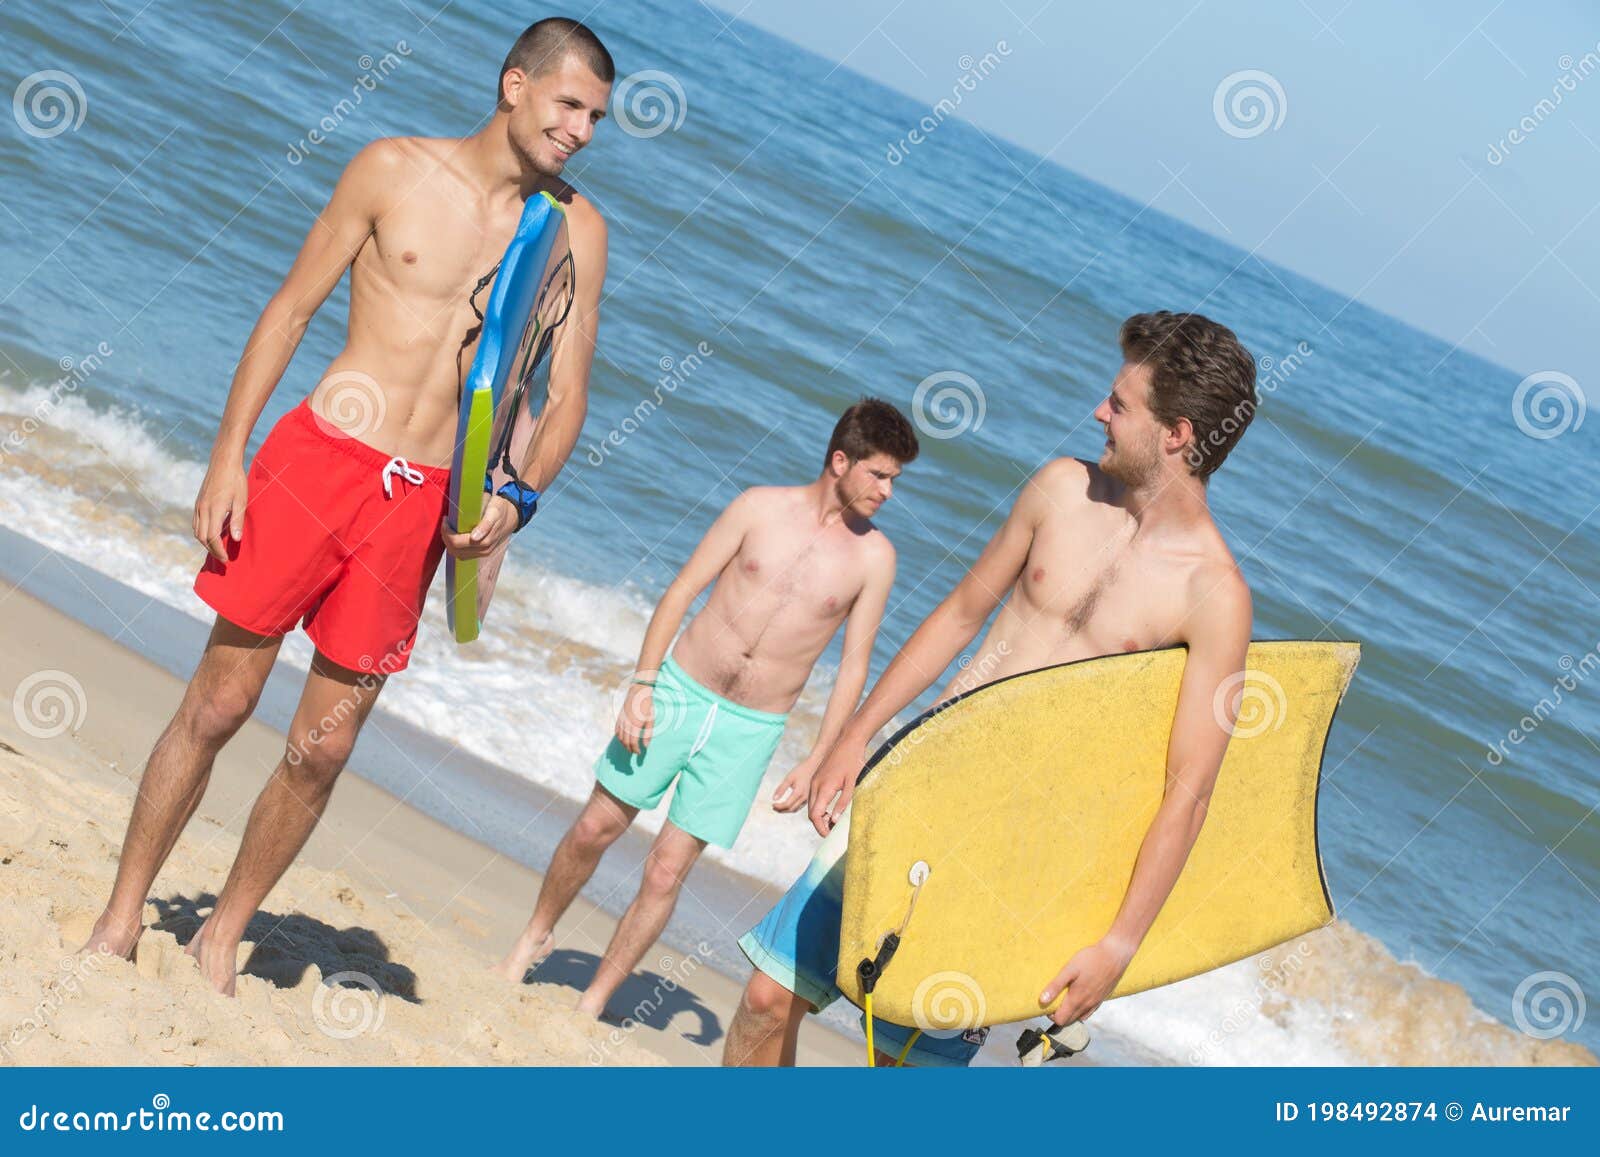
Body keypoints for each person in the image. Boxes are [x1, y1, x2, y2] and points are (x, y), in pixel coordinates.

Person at [81, 18, 615, 994]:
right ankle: (123, 912)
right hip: (318, 459)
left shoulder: (573, 230)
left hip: (418, 506)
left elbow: (568, 389)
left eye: (596, 118)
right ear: (514, 85)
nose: (581, 130)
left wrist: (517, 501)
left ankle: (222, 933)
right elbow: (288, 309)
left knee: (319, 753)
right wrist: (228, 454)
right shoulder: (391, 169)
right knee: (218, 702)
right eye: (569, 104)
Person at [722, 311, 1260, 1066]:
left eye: (1121, 403)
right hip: (920, 784)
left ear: (1176, 433)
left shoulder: (1214, 595)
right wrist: (855, 736)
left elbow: (1188, 789)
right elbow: (959, 616)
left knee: (906, 1070)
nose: (1099, 412)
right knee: (768, 997)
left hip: (1011, 854)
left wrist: (1118, 943)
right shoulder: (1061, 488)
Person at [493, 400, 918, 1021]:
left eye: (894, 481)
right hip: (679, 693)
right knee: (595, 827)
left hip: (750, 732)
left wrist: (818, 757)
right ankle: (533, 936)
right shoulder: (757, 508)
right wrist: (643, 683)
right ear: (840, 461)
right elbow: (683, 589)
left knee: (665, 873)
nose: (887, 491)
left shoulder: (875, 558)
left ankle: (594, 1002)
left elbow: (854, 667)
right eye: (879, 475)